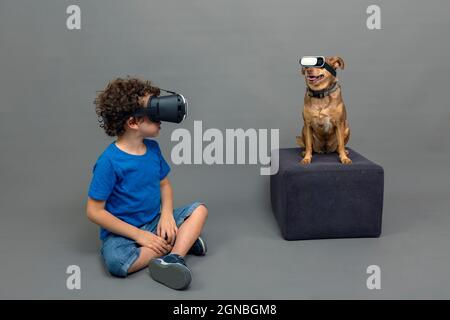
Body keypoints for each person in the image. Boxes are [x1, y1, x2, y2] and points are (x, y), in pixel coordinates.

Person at [86, 77, 208, 290]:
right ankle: (180, 242)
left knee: (199, 210)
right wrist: (139, 235)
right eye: (154, 114)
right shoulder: (109, 162)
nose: (161, 118)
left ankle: (174, 258)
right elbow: (94, 211)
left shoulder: (153, 149)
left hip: (155, 221)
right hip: (123, 232)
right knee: (116, 262)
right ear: (133, 123)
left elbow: (165, 185)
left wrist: (168, 215)